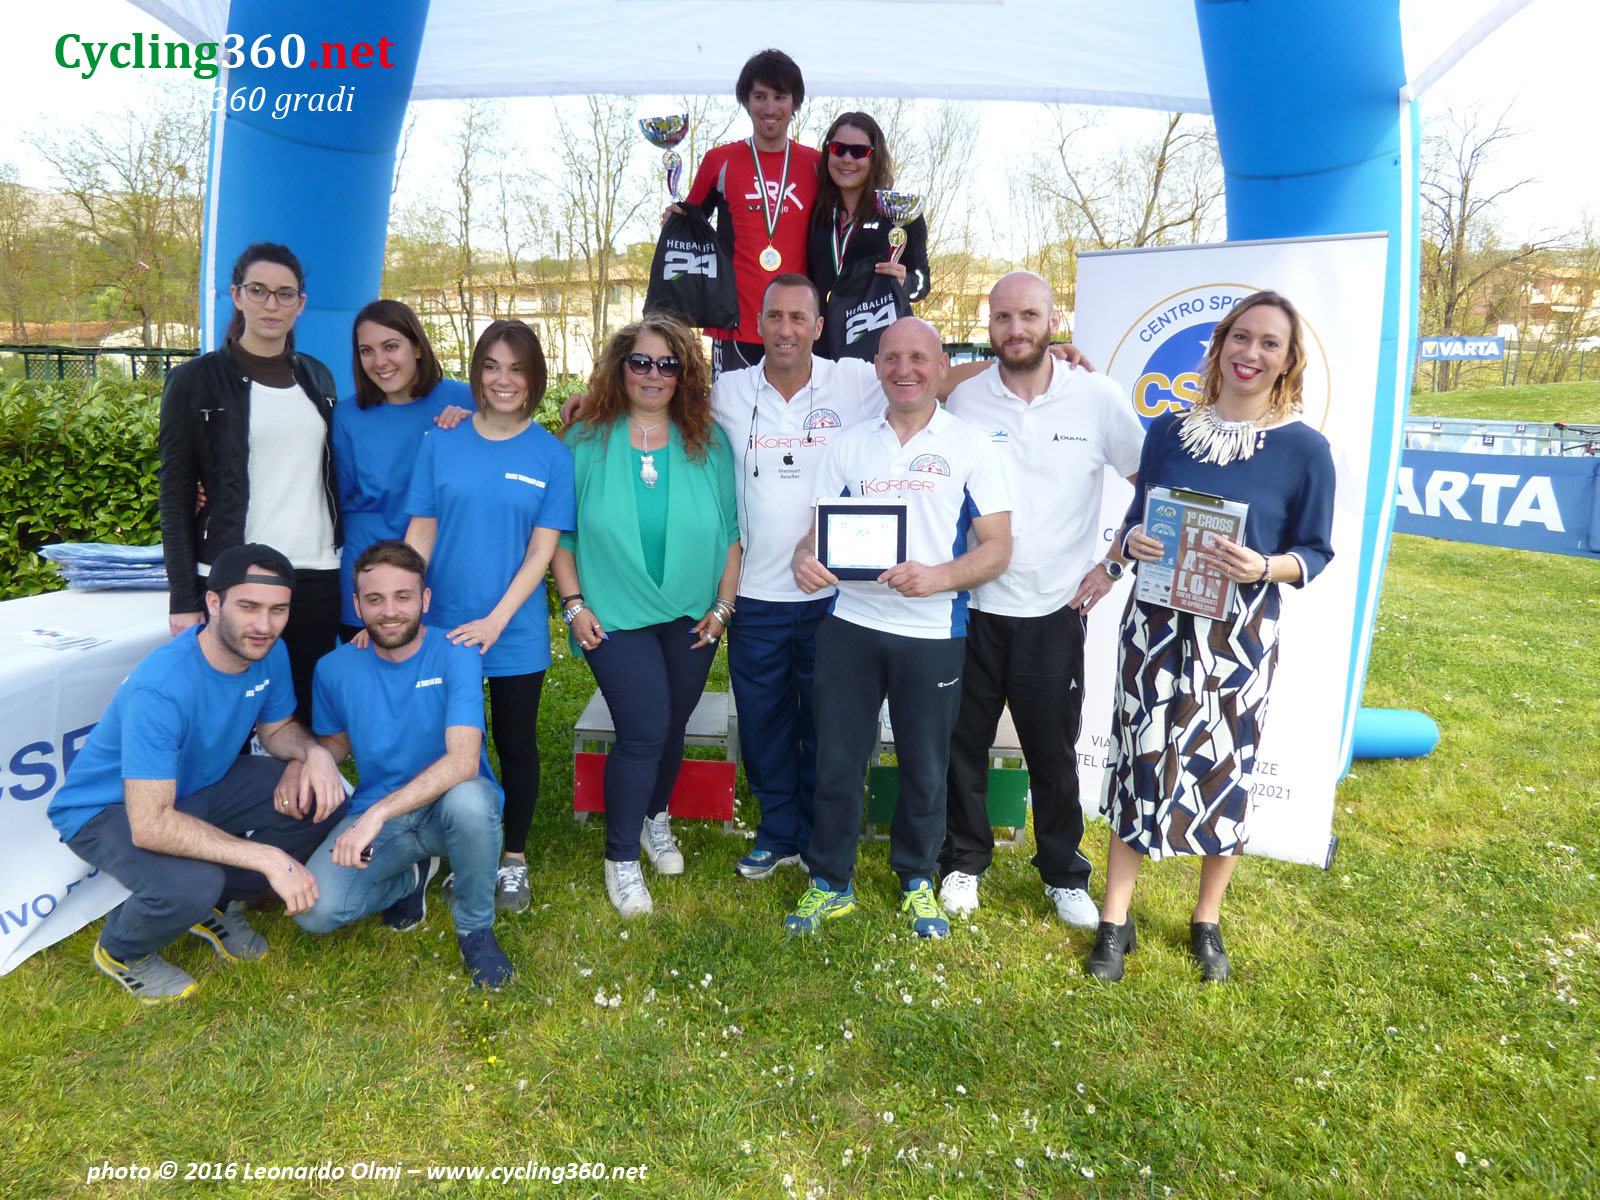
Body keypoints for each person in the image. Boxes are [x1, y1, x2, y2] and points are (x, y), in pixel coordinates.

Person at [704, 274, 1096, 882]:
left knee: (851, 739)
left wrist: (1036, 357)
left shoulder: (861, 384)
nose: (785, 329)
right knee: (771, 726)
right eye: (774, 317)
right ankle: (787, 839)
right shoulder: (733, 392)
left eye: (799, 318)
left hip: (857, 606)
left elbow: (934, 376)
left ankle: (859, 852)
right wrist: (590, 409)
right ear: (758, 324)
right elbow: (661, 402)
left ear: (818, 327)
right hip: (774, 593)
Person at [1088, 290, 1335, 984]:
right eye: (1241, 337)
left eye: (1269, 343)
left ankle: (1206, 920)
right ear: (1221, 344)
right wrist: (1128, 546)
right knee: (1139, 760)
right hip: (1154, 627)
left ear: (1288, 361)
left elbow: (1314, 552)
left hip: (1239, 637)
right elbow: (1137, 520)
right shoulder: (1168, 432)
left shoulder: (1305, 450)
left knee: (1225, 768)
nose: (1250, 353)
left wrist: (1265, 566)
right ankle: (1114, 920)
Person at [786, 317, 1012, 939]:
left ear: (941, 367)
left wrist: (938, 577)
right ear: (877, 367)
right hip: (851, 625)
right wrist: (805, 559)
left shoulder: (971, 445)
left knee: (925, 766)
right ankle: (830, 881)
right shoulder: (850, 444)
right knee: (837, 762)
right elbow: (816, 533)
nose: (904, 369)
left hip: (932, 630)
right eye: (891, 358)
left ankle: (916, 879)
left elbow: (997, 549)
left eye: (918, 358)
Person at [46, 544, 348, 1003]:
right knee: (193, 882)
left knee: (322, 797)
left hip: (199, 786)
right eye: (248, 607)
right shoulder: (163, 686)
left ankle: (218, 908)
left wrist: (314, 756)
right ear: (213, 602)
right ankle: (123, 951)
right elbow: (150, 824)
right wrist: (268, 857)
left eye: (278, 610)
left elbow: (277, 729)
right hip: (106, 809)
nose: (264, 625)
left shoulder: (268, 652)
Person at [938, 272, 1144, 927]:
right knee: (962, 744)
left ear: (1055, 321)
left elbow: (1149, 483)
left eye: (1029, 315)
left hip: (1054, 610)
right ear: (989, 324)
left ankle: (1063, 873)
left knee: (1053, 753)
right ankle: (964, 862)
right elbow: (914, 384)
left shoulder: (1097, 397)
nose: (1016, 329)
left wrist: (1113, 564)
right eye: (1003, 317)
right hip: (971, 606)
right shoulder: (967, 397)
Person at [552, 314, 741, 918]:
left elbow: (732, 536)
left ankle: (654, 818)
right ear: (620, 367)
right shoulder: (584, 441)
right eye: (641, 362)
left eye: (668, 364)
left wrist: (723, 608)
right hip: (612, 614)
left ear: (684, 374)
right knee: (643, 730)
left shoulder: (708, 442)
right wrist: (574, 605)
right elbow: (560, 536)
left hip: (692, 614)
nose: (653, 374)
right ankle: (620, 858)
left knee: (673, 725)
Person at [403, 320, 575, 915]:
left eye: (517, 369)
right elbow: (421, 532)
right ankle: (463, 847)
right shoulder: (441, 441)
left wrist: (497, 621)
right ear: (477, 373)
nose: (504, 380)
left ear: (535, 378)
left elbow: (541, 552)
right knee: (450, 743)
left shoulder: (552, 455)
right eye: (492, 367)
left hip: (513, 630)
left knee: (515, 743)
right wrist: (402, 608)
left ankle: (513, 859)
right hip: (442, 627)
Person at [292, 541, 514, 989]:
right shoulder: (333, 669)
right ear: (357, 605)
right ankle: (409, 880)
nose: (389, 611)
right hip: (384, 818)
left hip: (449, 810)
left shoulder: (457, 653)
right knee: (316, 911)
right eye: (375, 599)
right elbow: (336, 742)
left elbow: (463, 761)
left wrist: (375, 814)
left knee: (470, 802)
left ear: (425, 600)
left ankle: (475, 929)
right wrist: (313, 757)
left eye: (403, 597)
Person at [159, 242, 341, 726]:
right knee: (226, 724)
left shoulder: (318, 378)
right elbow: (175, 497)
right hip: (232, 572)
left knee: (303, 720)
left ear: (301, 304)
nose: (271, 304)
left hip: (315, 571)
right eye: (258, 290)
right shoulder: (194, 380)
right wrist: (183, 598)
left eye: (285, 294)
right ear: (237, 296)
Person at [333, 299, 474, 641]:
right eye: (367, 351)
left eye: (391, 346)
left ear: (418, 347)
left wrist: (474, 428)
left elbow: (516, 436)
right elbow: (341, 502)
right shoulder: (347, 417)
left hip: (447, 579)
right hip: (375, 586)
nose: (379, 361)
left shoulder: (466, 400)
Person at [682, 49, 820, 375]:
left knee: (793, 410)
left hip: (795, 328)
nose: (770, 108)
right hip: (734, 324)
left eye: (780, 97)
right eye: (760, 96)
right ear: (746, 101)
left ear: (795, 103)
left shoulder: (816, 165)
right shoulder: (719, 161)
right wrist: (675, 221)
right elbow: (689, 229)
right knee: (731, 409)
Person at [806, 111, 930, 331]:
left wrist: (906, 282)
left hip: (874, 338)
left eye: (859, 151)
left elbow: (922, 284)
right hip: (823, 337)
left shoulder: (900, 213)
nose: (847, 158)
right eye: (838, 149)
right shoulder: (815, 211)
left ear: (875, 157)